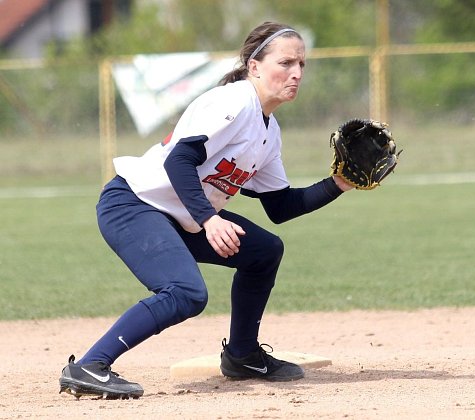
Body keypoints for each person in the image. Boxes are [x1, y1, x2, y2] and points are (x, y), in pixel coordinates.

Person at [58, 21, 354, 399]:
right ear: (255, 67)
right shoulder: (233, 102)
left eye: (301, 64)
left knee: (264, 251)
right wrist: (209, 219)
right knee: (185, 292)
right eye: (285, 62)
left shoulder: (269, 131)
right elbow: (179, 161)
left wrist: (340, 183)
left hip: (180, 213)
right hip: (134, 203)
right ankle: (90, 364)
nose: (296, 72)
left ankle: (243, 355)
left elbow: (282, 206)